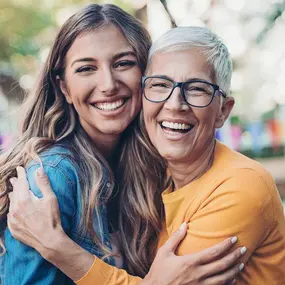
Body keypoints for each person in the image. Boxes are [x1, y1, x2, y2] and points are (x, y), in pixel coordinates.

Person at [7, 25, 285, 284]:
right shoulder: (58, 177)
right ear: (145, 92)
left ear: (223, 110)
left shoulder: (240, 187)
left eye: (197, 89)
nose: (175, 105)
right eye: (160, 85)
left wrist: (58, 248)